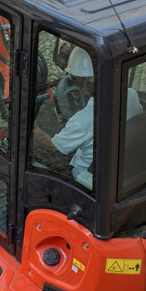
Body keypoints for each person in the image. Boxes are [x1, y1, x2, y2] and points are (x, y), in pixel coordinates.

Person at [34, 46, 96, 189]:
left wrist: (34, 128)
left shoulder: (82, 120)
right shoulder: (130, 95)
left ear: (83, 85)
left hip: (85, 175)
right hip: (114, 160)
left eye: (75, 80)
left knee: (37, 155)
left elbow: (52, 147)